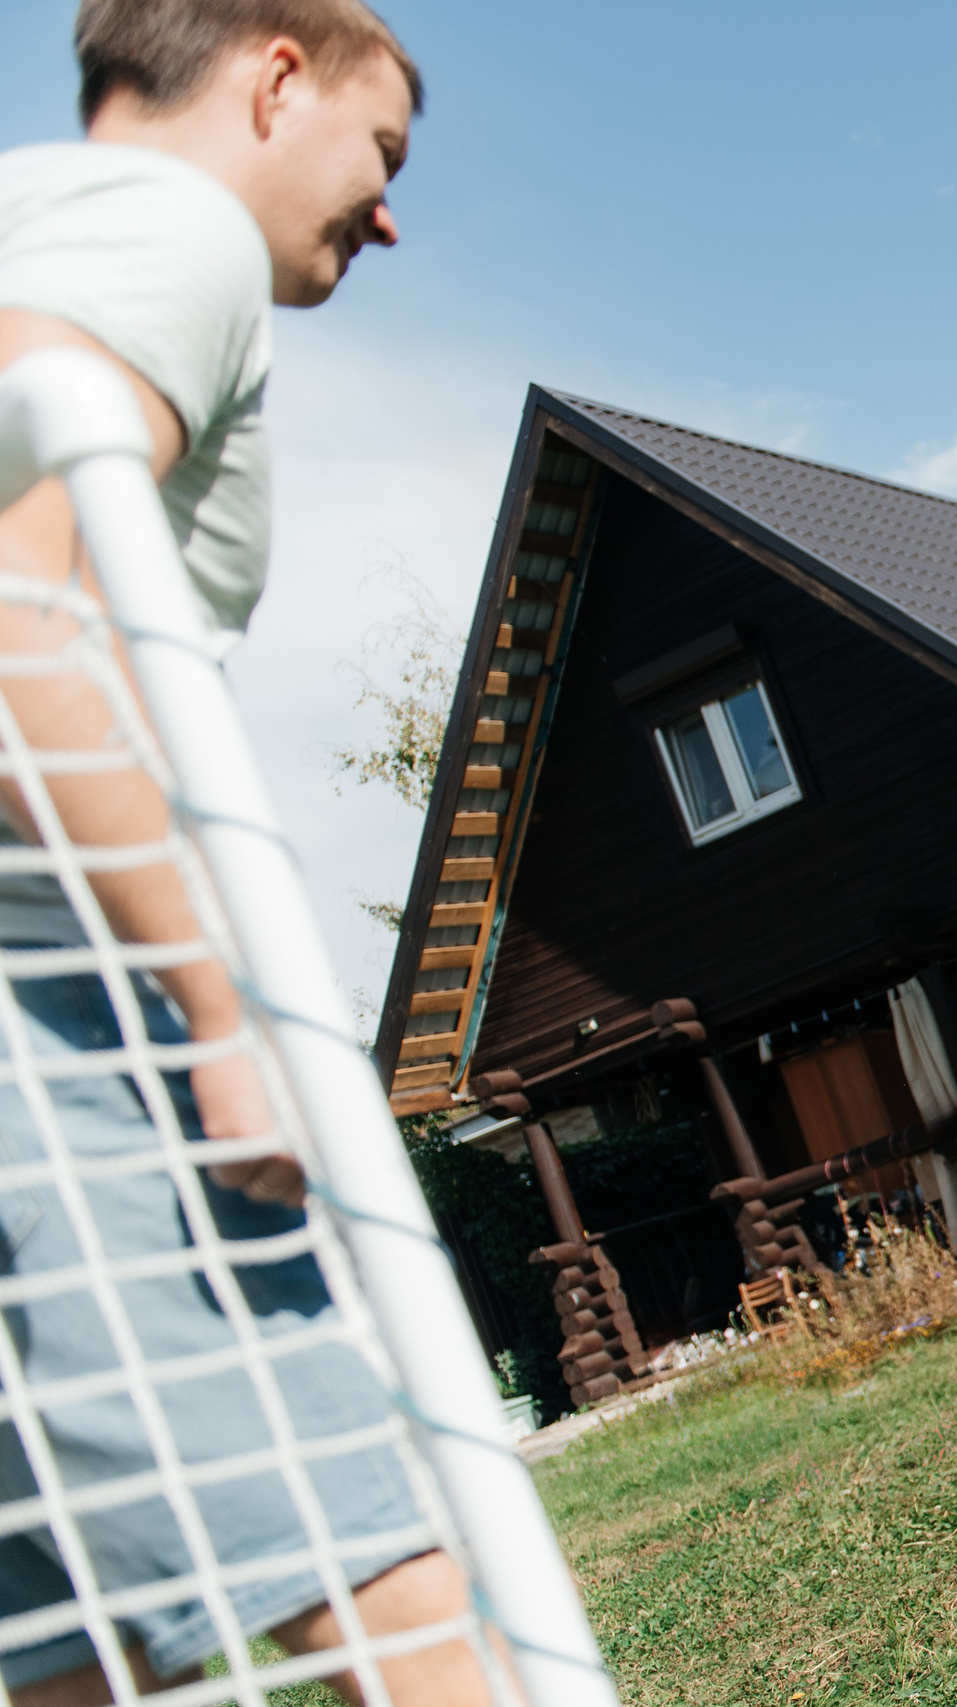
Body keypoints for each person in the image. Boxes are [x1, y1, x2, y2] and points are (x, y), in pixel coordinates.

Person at [0, 3, 495, 1701]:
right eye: (385, 152)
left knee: (61, 1618)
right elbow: (13, 614)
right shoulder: (167, 230)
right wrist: (217, 1009)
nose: (389, 210)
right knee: (351, 1537)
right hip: (53, 1000)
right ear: (277, 77)